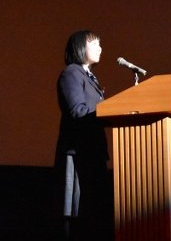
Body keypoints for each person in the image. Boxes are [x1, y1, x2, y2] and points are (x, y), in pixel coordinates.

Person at [53, 30, 112, 240]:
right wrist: (108, 109)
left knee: (94, 212)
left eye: (100, 44)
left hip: (94, 153)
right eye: (94, 43)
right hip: (78, 153)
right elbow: (78, 111)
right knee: (76, 214)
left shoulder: (90, 78)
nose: (100, 48)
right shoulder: (71, 73)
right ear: (80, 47)